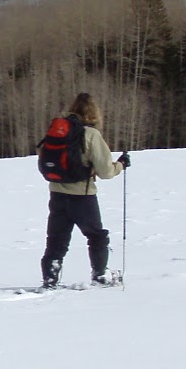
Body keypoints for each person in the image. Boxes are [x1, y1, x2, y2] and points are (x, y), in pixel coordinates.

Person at [40, 92, 129, 288]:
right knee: (96, 236)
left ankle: (50, 279)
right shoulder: (91, 135)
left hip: (57, 194)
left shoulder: (58, 131)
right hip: (82, 196)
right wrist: (120, 165)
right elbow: (105, 171)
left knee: (56, 240)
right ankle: (99, 276)